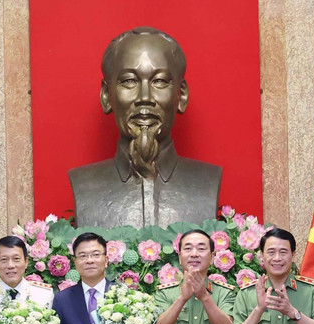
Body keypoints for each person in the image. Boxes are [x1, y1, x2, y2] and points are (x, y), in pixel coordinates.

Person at [69, 26, 221, 229]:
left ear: (181, 95)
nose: (145, 97)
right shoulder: (84, 184)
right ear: (106, 96)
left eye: (159, 81)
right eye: (129, 81)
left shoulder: (207, 181)